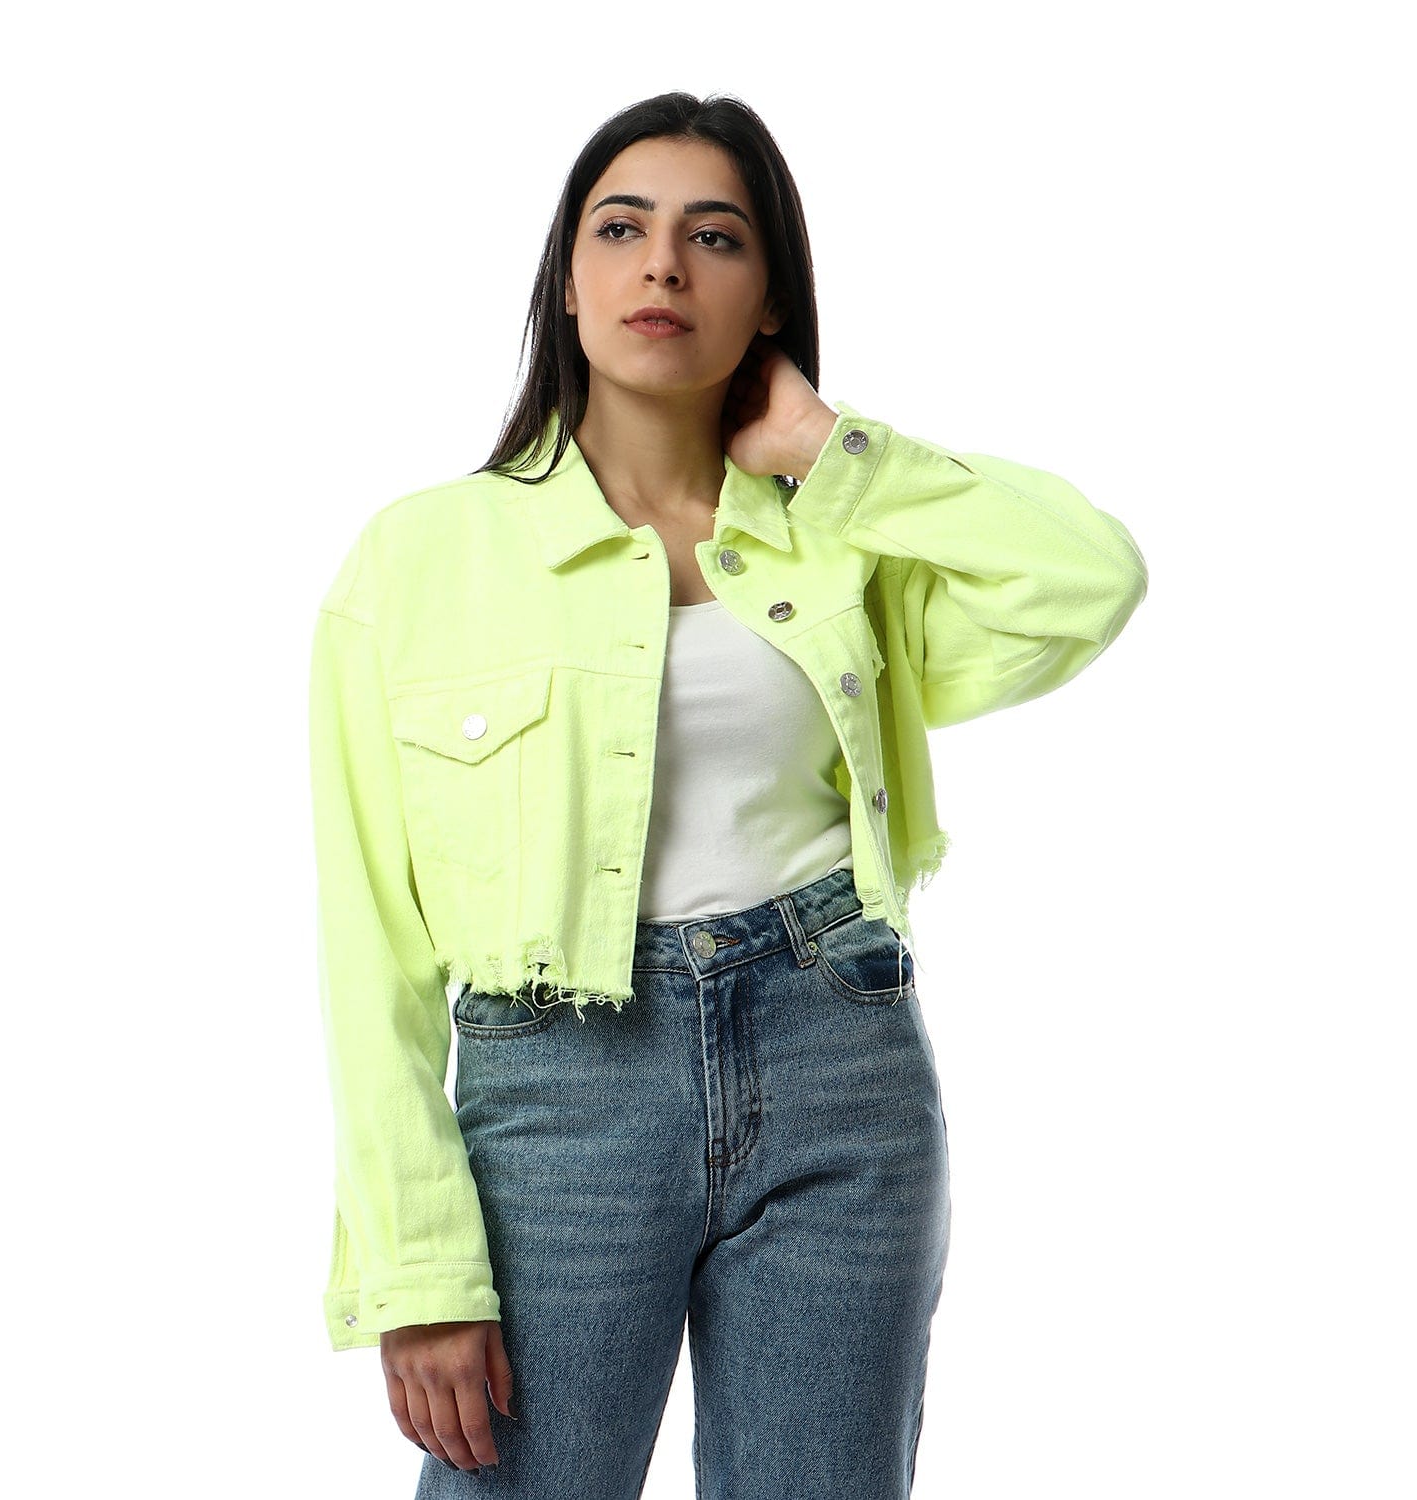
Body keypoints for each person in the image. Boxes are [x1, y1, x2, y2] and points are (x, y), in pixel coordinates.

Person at [308, 91, 1148, 1498]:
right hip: (558, 1091)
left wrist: (830, 450)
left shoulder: (843, 548)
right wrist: (416, 1268)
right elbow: (369, 947)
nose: (662, 265)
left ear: (767, 300)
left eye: (714, 237)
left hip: (840, 1061)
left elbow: (1089, 579)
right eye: (620, 229)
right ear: (566, 282)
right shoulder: (419, 560)